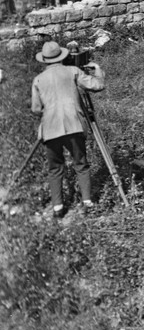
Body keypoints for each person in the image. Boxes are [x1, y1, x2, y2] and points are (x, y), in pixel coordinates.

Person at [30, 40, 106, 218]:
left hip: (50, 129)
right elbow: (97, 86)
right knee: (81, 164)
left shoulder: (38, 79)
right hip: (73, 125)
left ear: (45, 60)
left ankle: (57, 207)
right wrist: (98, 70)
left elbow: (35, 109)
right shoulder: (73, 71)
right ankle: (87, 202)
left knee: (55, 169)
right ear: (63, 56)